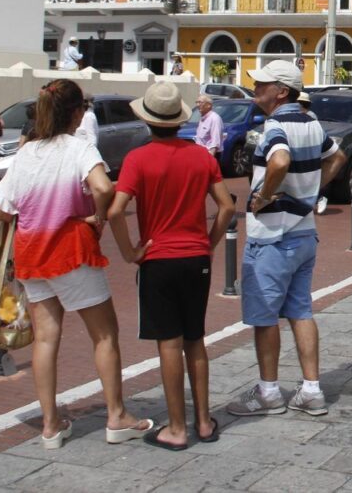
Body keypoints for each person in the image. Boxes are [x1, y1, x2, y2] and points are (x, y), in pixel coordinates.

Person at [0, 79, 152, 449]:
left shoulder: (26, 153)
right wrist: (96, 218)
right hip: (71, 250)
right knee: (104, 334)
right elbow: (104, 187)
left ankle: (50, 424)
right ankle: (116, 415)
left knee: (46, 338)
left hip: (32, 254)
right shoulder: (79, 148)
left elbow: (2, 208)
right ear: (77, 113)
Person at [107, 83, 236, 450]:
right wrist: (208, 244)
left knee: (169, 342)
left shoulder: (138, 158)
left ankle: (177, 427)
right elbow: (226, 207)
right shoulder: (201, 156)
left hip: (159, 257)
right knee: (195, 339)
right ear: (180, 120)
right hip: (195, 256)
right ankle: (205, 421)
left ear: (148, 120)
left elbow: (116, 210)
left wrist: (130, 251)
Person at [228, 61, 345, 417]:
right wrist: (311, 191)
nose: (256, 88)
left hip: (272, 235)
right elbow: (336, 156)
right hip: (304, 231)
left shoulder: (276, 125)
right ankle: (311, 389)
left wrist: (263, 196)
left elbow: (278, 160)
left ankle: (269, 391)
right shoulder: (311, 122)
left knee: (265, 317)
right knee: (300, 311)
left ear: (282, 90)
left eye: (262, 83)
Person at [193, 95, 223, 163]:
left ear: (209, 105)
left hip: (210, 156)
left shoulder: (214, 119)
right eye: (196, 102)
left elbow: (215, 143)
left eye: (200, 102)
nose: (197, 105)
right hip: (201, 156)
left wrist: (209, 161)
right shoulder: (203, 118)